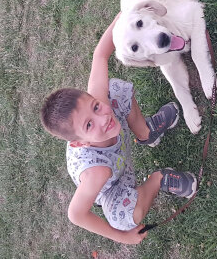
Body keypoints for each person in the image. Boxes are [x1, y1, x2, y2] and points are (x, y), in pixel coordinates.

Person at [40, 15, 198, 244]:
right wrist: (121, 237)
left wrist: (125, 13)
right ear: (79, 143)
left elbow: (100, 54)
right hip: (114, 182)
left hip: (116, 149)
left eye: (95, 106)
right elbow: (75, 215)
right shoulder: (96, 174)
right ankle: (159, 179)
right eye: (88, 124)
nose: (103, 116)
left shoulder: (101, 98)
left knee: (114, 90)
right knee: (126, 217)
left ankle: (147, 133)